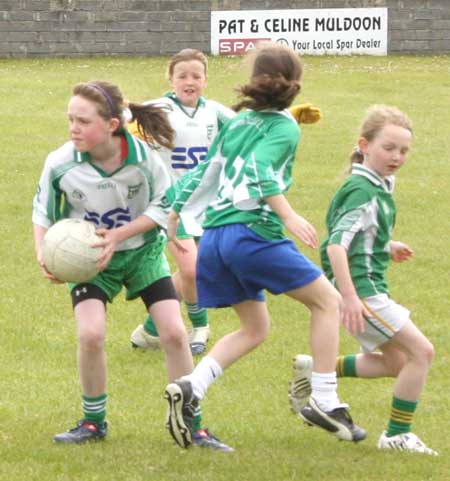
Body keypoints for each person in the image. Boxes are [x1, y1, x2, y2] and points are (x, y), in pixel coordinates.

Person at [162, 42, 366, 450]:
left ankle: (192, 385)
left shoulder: (236, 123)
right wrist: (288, 215)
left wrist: (173, 215)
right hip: (250, 233)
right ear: (295, 83)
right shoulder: (284, 127)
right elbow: (258, 168)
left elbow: (205, 170)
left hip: (215, 237)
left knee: (255, 327)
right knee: (327, 302)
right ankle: (324, 399)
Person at [128, 48, 322, 356]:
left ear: (206, 79)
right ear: (170, 79)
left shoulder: (215, 112)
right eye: (182, 76)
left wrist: (290, 116)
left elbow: (254, 125)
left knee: (196, 269)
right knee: (192, 269)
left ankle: (152, 329)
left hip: (208, 200)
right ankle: (199, 327)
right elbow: (120, 118)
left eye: (196, 75)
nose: (189, 81)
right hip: (173, 200)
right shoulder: (159, 108)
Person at [32, 80, 195, 444]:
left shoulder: (143, 158)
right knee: (90, 335)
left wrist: (119, 236)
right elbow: (41, 212)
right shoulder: (60, 163)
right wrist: (43, 252)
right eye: (70, 119)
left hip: (142, 254)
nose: (74, 128)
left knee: (173, 332)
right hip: (89, 261)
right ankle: (93, 423)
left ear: (112, 125)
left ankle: (191, 422)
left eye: (83, 121)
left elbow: (165, 204)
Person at [289, 105, 437, 455]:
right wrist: (351, 297)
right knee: (422, 352)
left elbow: (358, 237)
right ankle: (397, 435)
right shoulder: (363, 189)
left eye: (403, 150)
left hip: (365, 288)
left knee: (396, 362)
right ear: (364, 145)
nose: (397, 156)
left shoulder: (379, 183)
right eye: (389, 148)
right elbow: (337, 246)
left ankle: (318, 372)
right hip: (364, 292)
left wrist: (386, 245)